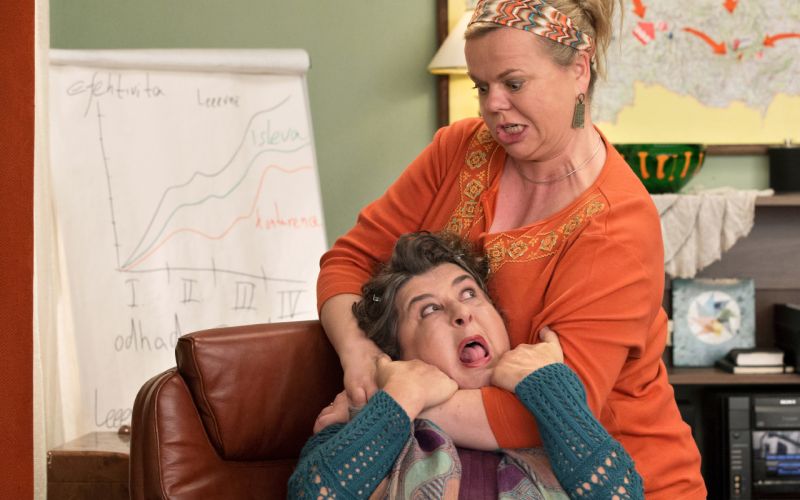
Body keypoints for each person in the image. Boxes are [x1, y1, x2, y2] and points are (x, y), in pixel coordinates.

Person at [316, 0, 706, 497]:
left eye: (514, 83)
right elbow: (348, 263)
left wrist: (390, 404)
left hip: (615, 480)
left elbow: (547, 412)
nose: (492, 105)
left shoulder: (618, 223)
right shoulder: (459, 149)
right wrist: (361, 357)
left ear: (579, 69)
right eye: (481, 86)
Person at [291, 232, 643, 498]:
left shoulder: (551, 418)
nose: (461, 313)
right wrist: (398, 400)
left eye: (470, 293)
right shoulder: (363, 422)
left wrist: (548, 385)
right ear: (398, 353)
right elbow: (312, 494)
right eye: (429, 309)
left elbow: (621, 493)